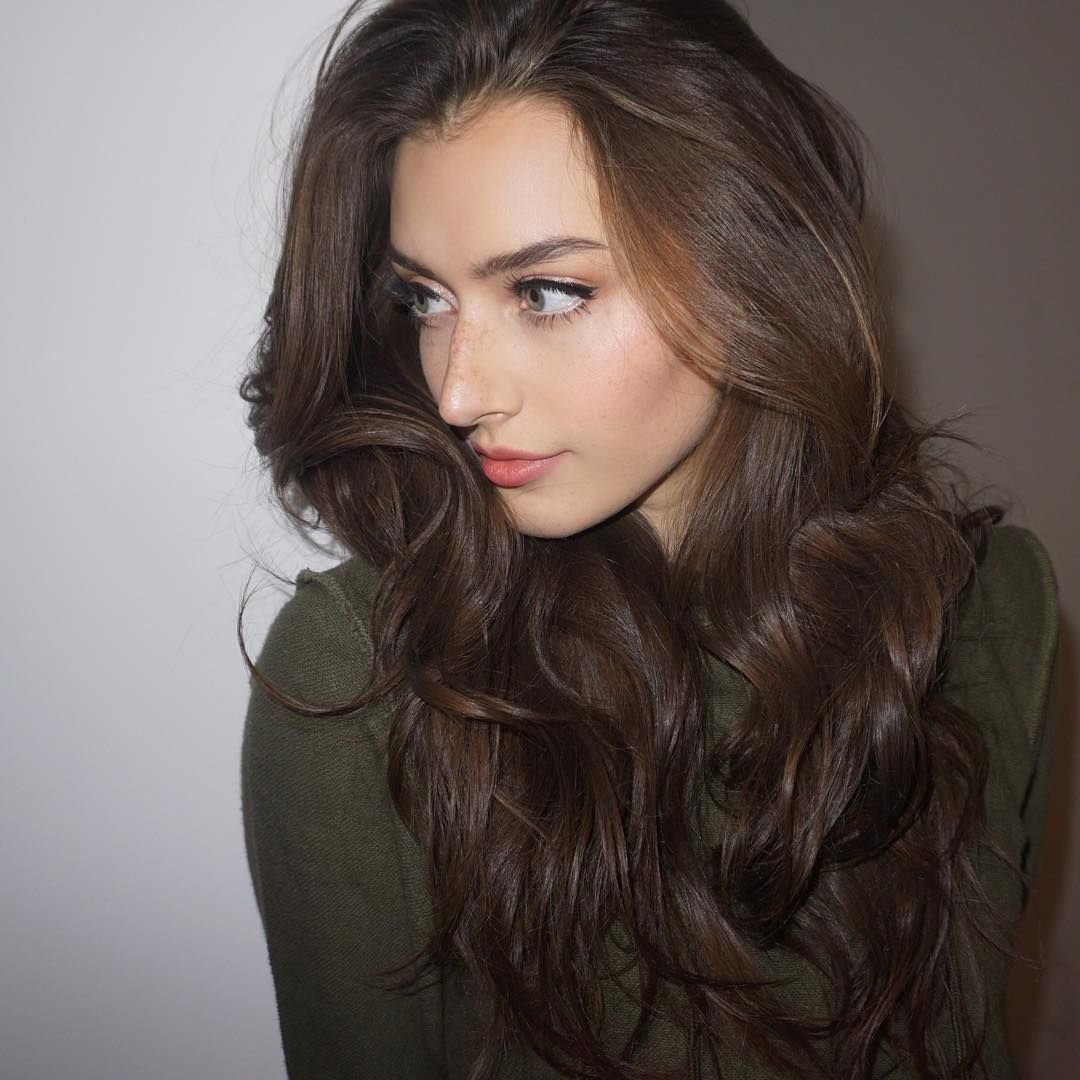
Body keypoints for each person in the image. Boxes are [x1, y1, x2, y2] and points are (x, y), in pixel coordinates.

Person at [237, 2, 1060, 1078]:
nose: (457, 393)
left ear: (748, 261)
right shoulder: (364, 674)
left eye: (546, 292)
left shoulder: (989, 608)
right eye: (425, 298)